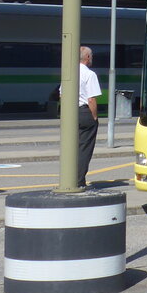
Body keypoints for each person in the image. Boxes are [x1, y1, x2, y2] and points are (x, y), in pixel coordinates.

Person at [60, 45, 101, 187]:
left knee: (71, 147)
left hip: (70, 113)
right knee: (84, 149)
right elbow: (91, 99)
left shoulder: (69, 72)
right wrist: (94, 117)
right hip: (84, 113)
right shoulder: (90, 74)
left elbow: (61, 94)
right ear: (88, 57)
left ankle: (68, 178)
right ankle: (78, 181)